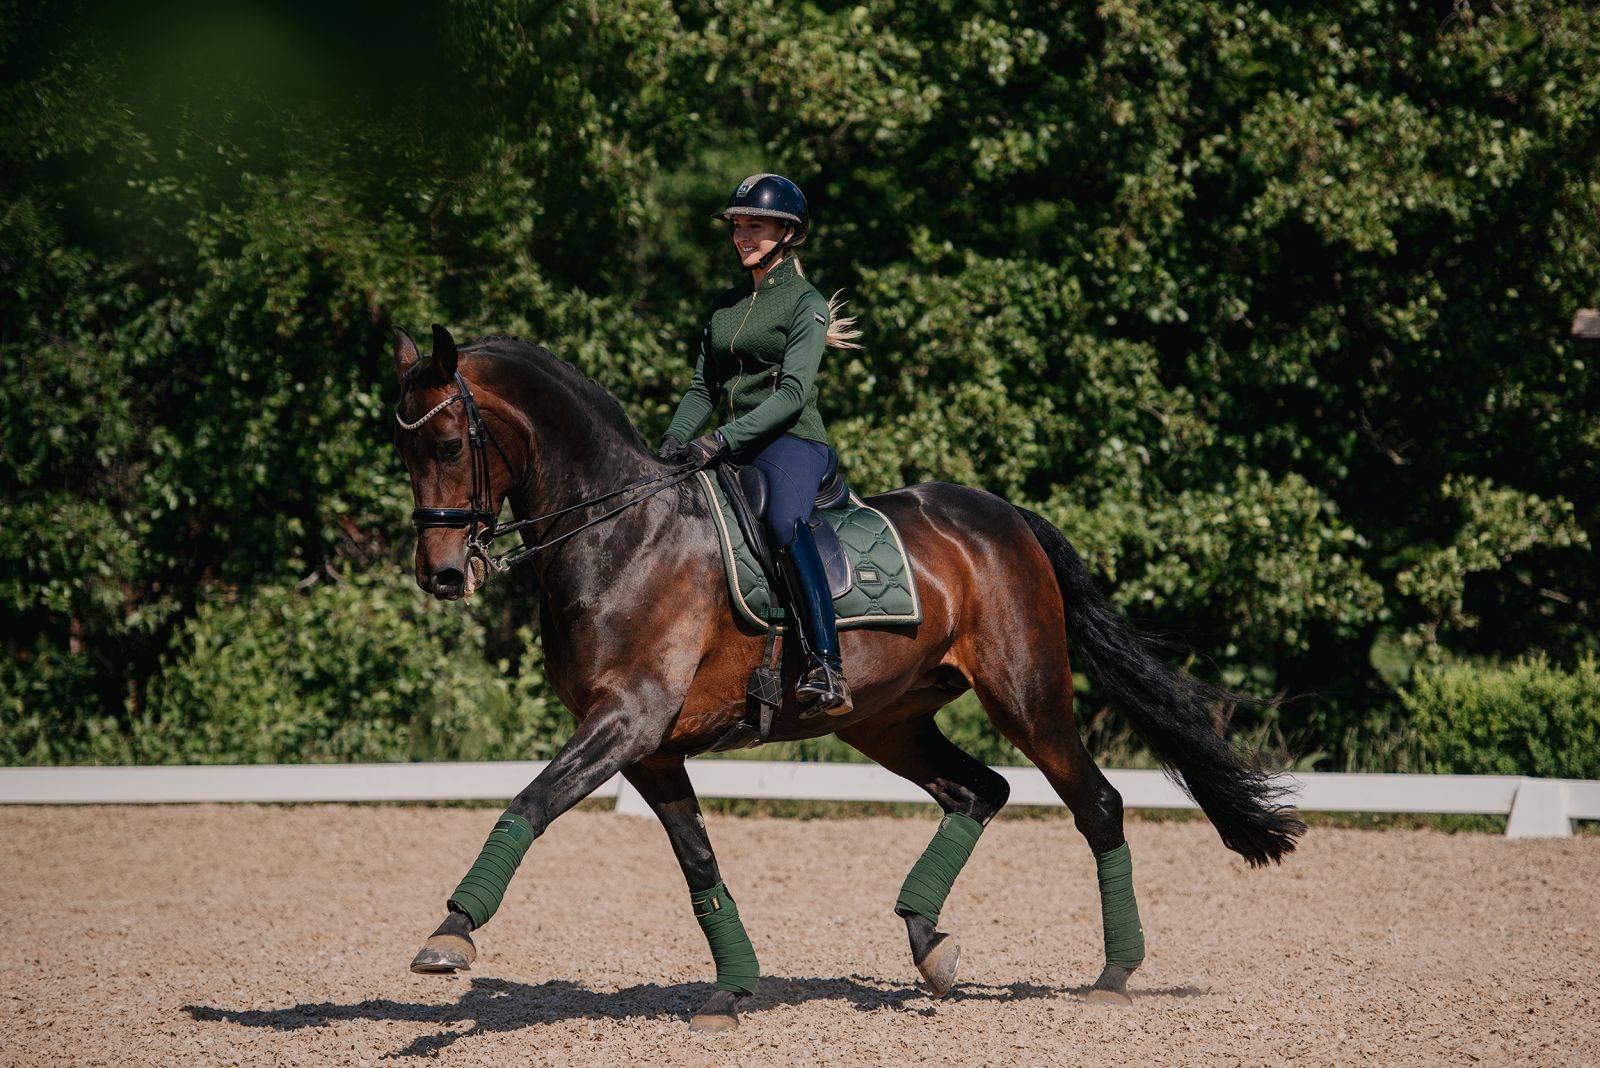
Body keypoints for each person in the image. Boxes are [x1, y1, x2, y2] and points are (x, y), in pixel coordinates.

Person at [659, 173, 862, 719]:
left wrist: (721, 439)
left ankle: (825, 662)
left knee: (781, 523)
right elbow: (703, 388)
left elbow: (795, 394)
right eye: (738, 227)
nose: (743, 237)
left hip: (790, 441)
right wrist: (672, 445)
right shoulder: (724, 307)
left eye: (757, 227)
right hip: (731, 444)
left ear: (788, 233)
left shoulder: (806, 303)